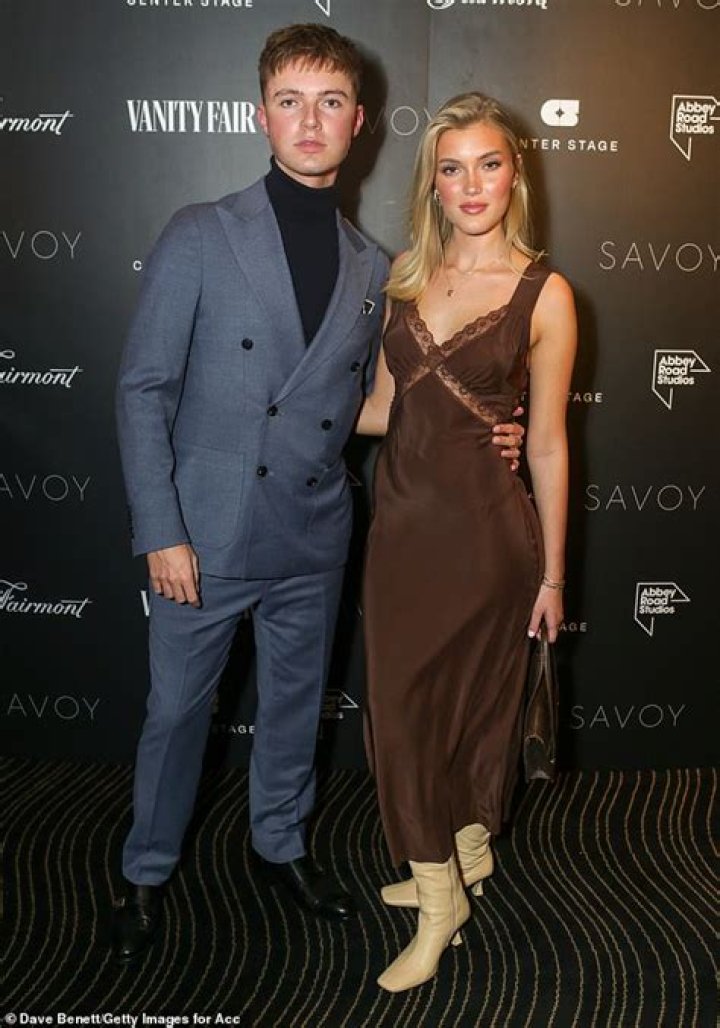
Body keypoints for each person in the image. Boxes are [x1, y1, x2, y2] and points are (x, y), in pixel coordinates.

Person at [113, 25, 528, 965]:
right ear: (263, 116)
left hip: (313, 531)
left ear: (359, 122)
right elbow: (143, 390)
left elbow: (380, 405)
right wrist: (161, 530)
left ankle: (280, 847)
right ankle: (144, 871)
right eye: (291, 102)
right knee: (176, 715)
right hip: (203, 535)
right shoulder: (200, 232)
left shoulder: (377, 269)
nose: (310, 121)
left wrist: (486, 428)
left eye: (330, 102)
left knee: (297, 708)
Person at [357, 92, 577, 992]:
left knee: (448, 715)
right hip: (400, 534)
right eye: (453, 169)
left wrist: (553, 576)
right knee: (401, 713)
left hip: (487, 540)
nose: (472, 183)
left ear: (515, 174)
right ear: (434, 185)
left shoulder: (545, 293)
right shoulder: (406, 275)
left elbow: (549, 444)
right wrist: (273, 409)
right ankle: (455, 857)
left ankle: (440, 897)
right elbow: (381, 408)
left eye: (489, 164)